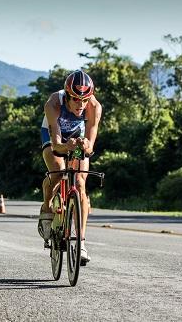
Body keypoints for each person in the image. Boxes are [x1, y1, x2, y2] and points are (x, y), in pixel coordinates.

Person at [38, 70, 102, 264]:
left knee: (81, 184)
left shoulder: (94, 107)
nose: (81, 105)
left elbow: (91, 145)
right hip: (54, 137)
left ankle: (81, 242)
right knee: (57, 172)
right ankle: (47, 207)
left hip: (78, 137)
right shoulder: (53, 104)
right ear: (67, 95)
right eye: (76, 100)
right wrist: (66, 146)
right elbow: (56, 143)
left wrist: (84, 146)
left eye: (85, 100)